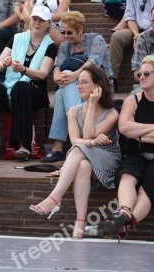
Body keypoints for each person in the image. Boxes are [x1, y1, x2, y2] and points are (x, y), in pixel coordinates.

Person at [30, 66, 120, 238]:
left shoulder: (112, 113)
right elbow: (75, 140)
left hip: (108, 159)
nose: (79, 86)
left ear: (98, 86)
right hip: (84, 157)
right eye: (78, 82)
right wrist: (91, 142)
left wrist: (92, 105)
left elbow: (86, 135)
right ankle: (80, 221)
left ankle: (55, 198)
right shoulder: (73, 111)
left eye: (84, 82)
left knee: (80, 149)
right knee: (84, 164)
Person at [0, 6, 57, 160]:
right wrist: (4, 64)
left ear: (48, 24)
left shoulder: (51, 46)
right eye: (34, 18)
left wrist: (23, 69)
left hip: (35, 92)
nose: (37, 22)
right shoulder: (17, 38)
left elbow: (42, 74)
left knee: (21, 87)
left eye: (41, 20)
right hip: (10, 87)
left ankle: (24, 145)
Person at [45, 10, 113, 163]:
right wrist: (57, 76)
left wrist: (74, 76)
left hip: (98, 86)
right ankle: (64, 144)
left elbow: (92, 64)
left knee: (65, 84)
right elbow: (58, 66)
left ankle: (60, 145)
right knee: (60, 93)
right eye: (63, 32)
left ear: (81, 29)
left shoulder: (96, 39)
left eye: (70, 32)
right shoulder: (64, 46)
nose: (66, 35)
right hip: (74, 88)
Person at [104, 55, 154, 241]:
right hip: (136, 153)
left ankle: (127, 221)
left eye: (147, 73)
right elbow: (124, 128)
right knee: (127, 176)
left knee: (145, 191)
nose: (141, 77)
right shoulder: (133, 100)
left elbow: (131, 129)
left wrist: (138, 132)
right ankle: (124, 211)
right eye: (140, 73)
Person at [110, 0, 154, 81]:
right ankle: (112, 78)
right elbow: (130, 16)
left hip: (152, 31)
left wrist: (145, 34)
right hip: (135, 29)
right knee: (117, 37)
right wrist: (135, 34)